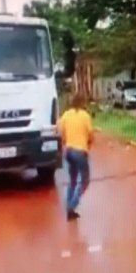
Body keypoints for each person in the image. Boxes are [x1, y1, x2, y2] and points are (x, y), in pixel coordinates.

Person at [57, 93, 94, 221]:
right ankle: (71, 206)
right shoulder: (85, 116)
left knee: (72, 179)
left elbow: (60, 131)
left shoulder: (66, 115)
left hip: (68, 151)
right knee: (85, 180)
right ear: (82, 103)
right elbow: (90, 135)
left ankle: (69, 206)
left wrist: (65, 142)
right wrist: (88, 145)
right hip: (80, 151)